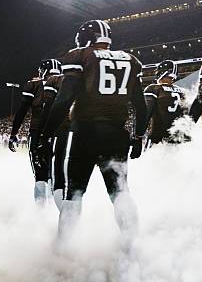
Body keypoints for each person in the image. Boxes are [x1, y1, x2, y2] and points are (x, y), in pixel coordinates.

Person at [42, 19, 148, 247]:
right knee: (120, 192)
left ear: (85, 38)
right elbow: (140, 105)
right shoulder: (130, 60)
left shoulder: (80, 55)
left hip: (85, 132)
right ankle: (131, 246)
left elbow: (64, 99)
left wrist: (45, 133)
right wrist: (138, 136)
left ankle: (64, 249)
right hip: (117, 135)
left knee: (73, 195)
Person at [9, 58, 61, 203]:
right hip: (60, 135)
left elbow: (21, 111)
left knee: (40, 176)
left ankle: (40, 214)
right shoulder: (67, 83)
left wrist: (14, 133)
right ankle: (57, 210)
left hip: (38, 132)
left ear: (43, 71)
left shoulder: (34, 85)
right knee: (56, 175)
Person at [38, 70, 70, 212]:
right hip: (82, 134)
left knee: (58, 182)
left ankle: (66, 227)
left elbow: (47, 109)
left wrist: (43, 135)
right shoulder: (88, 78)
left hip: (61, 132)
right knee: (74, 187)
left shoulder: (55, 81)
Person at [143, 60, 186, 146]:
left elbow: (146, 112)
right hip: (177, 137)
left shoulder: (153, 88)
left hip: (157, 137)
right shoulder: (182, 91)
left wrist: (139, 132)